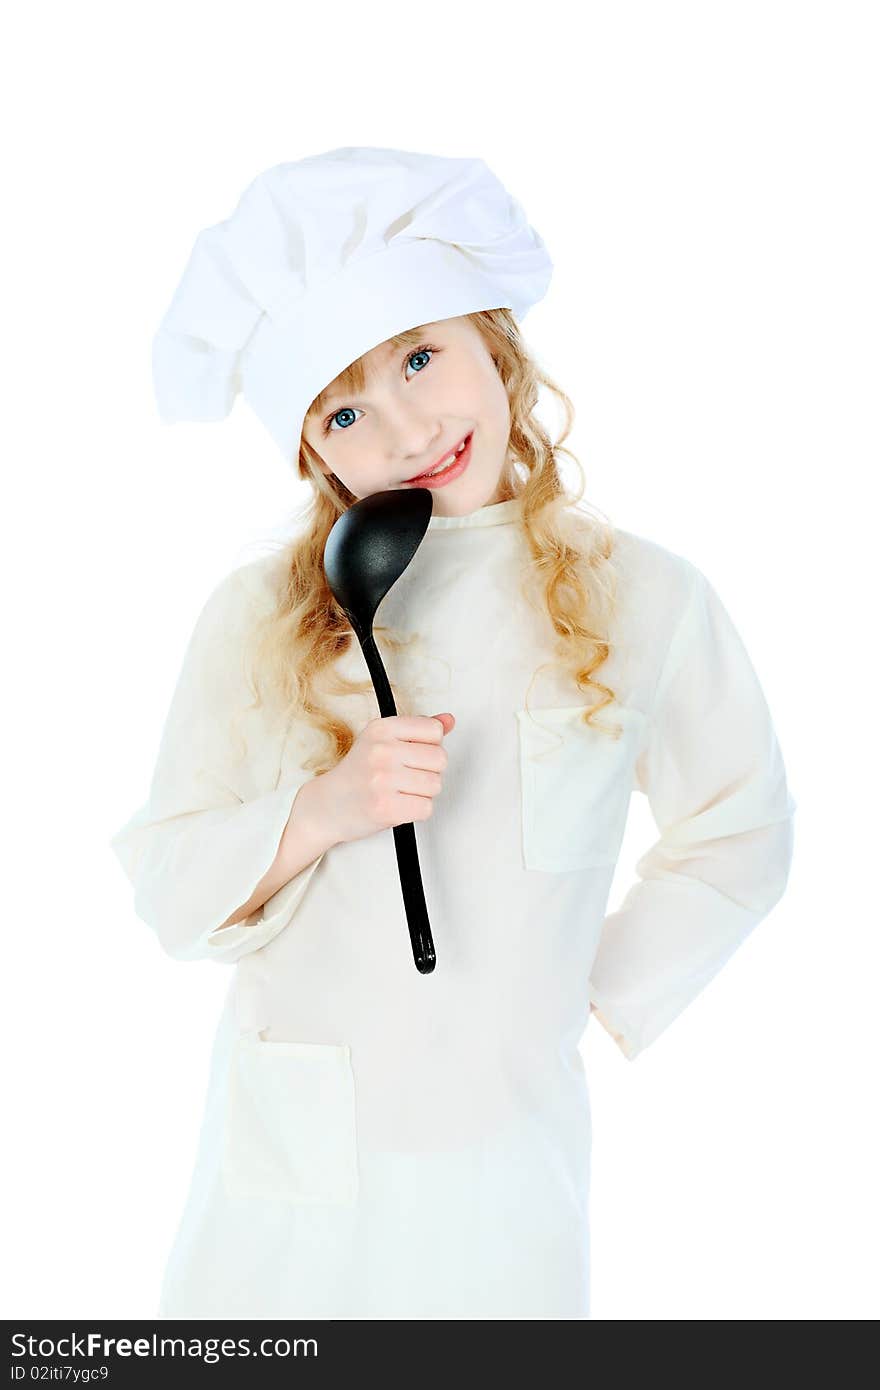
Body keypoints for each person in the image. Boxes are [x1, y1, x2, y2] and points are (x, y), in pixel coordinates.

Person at [109, 147, 797, 1320]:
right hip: (289, 1194)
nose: (408, 423)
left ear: (497, 341)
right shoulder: (259, 622)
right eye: (346, 407)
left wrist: (589, 992)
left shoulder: (648, 600)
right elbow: (169, 887)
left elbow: (741, 826)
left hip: (505, 1164)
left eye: (421, 356)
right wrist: (326, 806)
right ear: (314, 451)